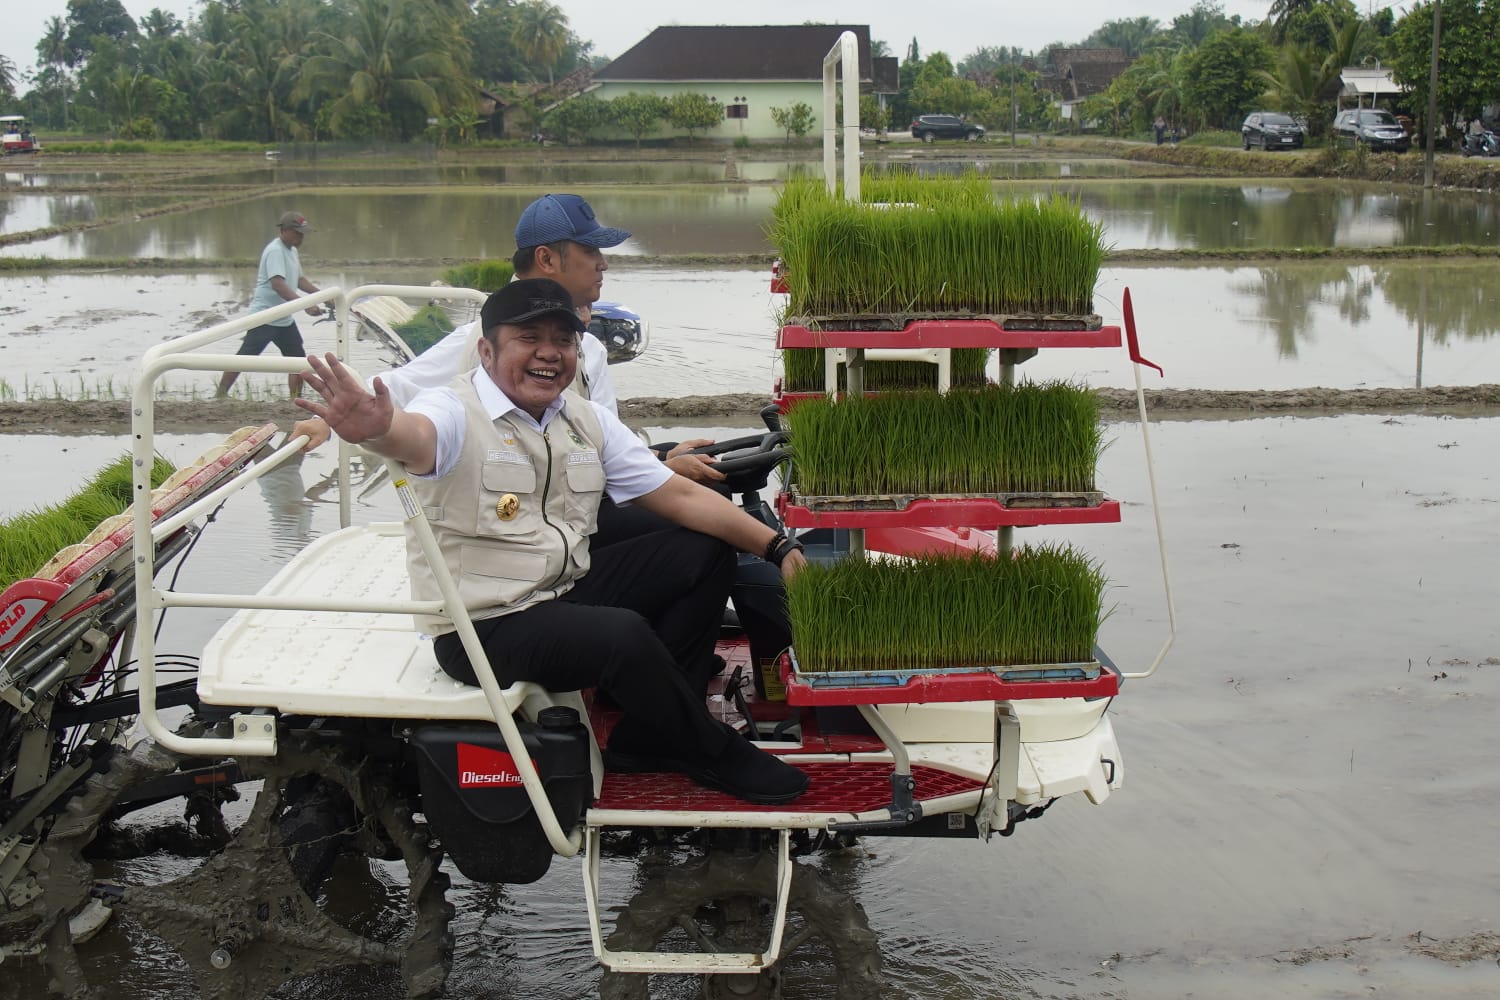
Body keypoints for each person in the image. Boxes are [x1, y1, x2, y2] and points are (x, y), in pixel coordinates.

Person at [293, 279, 811, 805]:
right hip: (483, 627)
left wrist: (778, 548)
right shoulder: (452, 411)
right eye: (529, 337)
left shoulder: (582, 419)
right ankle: (709, 750)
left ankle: (654, 732)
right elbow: (414, 436)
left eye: (563, 340)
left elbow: (677, 494)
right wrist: (379, 430)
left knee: (702, 549)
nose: (549, 352)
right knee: (621, 634)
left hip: (557, 592)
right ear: (487, 351)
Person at [218, 211, 323, 399]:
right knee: (244, 358)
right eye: (297, 233)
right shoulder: (275, 251)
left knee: (297, 361)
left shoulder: (292, 251)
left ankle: (295, 399)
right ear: (285, 230)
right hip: (265, 317)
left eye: (302, 234)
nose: (301, 237)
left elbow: (299, 280)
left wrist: (322, 296)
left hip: (284, 318)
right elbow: (278, 284)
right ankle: (220, 394)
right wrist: (305, 305)